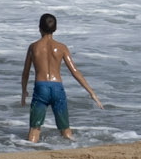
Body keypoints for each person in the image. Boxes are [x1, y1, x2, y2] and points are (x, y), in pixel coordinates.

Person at [19, 13, 103, 142]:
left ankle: (29, 151)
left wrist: (24, 92)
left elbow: (25, 73)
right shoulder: (62, 47)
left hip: (41, 88)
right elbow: (75, 71)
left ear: (39, 28)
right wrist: (92, 93)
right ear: (55, 29)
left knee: (34, 129)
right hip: (57, 88)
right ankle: (73, 149)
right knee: (65, 129)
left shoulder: (33, 47)